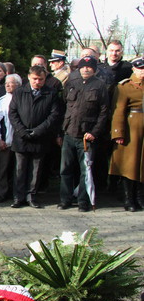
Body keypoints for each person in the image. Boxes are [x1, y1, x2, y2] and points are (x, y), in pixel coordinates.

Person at [58, 55, 109, 212]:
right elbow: (64, 106)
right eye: (83, 66)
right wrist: (60, 131)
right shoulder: (72, 83)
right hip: (69, 133)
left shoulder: (100, 86)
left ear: (94, 69)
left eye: (89, 67)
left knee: (85, 171)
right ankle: (65, 200)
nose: (86, 69)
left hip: (86, 137)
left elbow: (104, 112)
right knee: (65, 169)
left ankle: (83, 202)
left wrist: (94, 132)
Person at [8, 66, 63, 209]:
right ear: (29, 77)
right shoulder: (20, 92)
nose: (37, 82)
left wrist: (38, 131)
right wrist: (21, 130)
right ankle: (18, 197)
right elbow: (12, 113)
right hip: (21, 137)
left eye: (41, 79)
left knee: (36, 169)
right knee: (20, 169)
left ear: (45, 79)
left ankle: (31, 196)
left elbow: (54, 116)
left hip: (40, 138)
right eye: (35, 79)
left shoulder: (50, 93)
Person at [109, 58, 144, 211]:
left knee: (142, 165)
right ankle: (128, 199)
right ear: (134, 70)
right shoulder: (125, 86)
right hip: (132, 129)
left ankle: (140, 197)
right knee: (129, 164)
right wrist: (118, 132)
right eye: (140, 69)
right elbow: (118, 111)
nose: (143, 72)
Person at [0, 74, 21, 203]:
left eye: (11, 83)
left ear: (18, 85)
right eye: (6, 83)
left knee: (19, 169)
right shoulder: (2, 100)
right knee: (2, 169)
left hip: (21, 141)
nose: (7, 85)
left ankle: (18, 194)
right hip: (5, 141)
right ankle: (1, 193)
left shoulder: (24, 98)